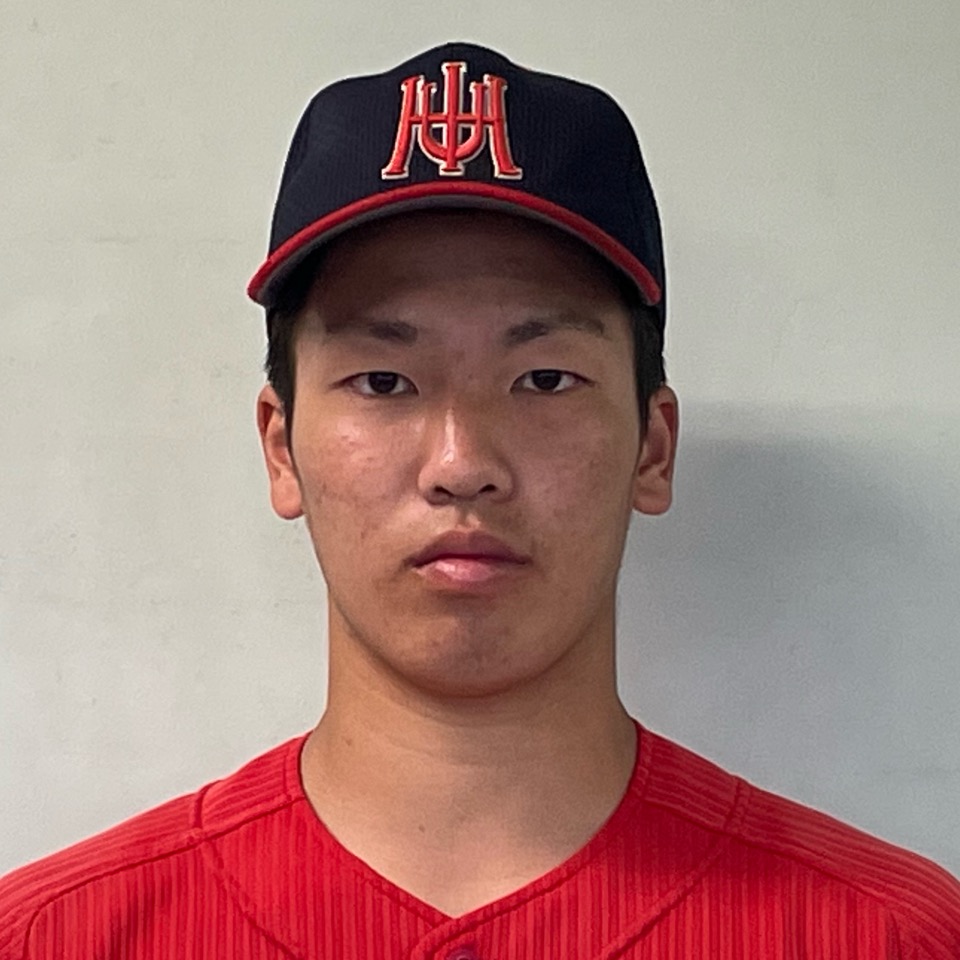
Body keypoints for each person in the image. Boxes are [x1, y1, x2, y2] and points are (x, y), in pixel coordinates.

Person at [2, 40, 959, 959]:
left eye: (544, 379)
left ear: (653, 446)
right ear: (281, 446)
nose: (462, 464)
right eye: (384, 382)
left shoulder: (893, 938)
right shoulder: (52, 939)